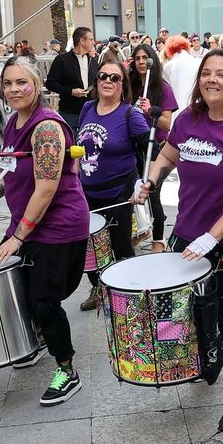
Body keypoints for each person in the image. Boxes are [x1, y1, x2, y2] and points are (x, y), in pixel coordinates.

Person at [133, 48, 223, 432]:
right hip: (189, 230)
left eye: (222, 74)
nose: (213, 80)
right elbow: (166, 156)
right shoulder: (189, 119)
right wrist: (151, 180)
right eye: (207, 73)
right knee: (189, 306)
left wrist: (213, 237)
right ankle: (210, 355)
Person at [0, 54, 91, 403]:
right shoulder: (13, 122)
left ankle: (67, 369)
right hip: (27, 222)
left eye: (21, 82)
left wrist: (18, 237)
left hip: (59, 225)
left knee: (42, 299)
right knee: (15, 285)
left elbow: (47, 187)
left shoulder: (47, 128)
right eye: (7, 83)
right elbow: (9, 173)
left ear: (37, 84)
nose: (13, 89)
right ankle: (38, 341)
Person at [76, 55, 151, 310]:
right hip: (87, 192)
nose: (108, 81)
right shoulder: (87, 109)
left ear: (122, 84)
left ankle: (128, 295)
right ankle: (98, 289)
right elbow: (78, 148)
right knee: (92, 249)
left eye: (114, 77)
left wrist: (144, 183)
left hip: (118, 194)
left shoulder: (130, 115)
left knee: (121, 249)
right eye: (103, 76)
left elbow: (152, 150)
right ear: (96, 81)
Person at [129, 42, 179, 252]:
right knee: (132, 190)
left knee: (152, 192)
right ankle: (141, 230)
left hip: (157, 147)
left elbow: (168, 124)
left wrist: (151, 111)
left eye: (144, 58)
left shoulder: (162, 88)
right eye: (137, 58)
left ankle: (158, 238)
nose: (141, 62)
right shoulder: (130, 85)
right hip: (134, 146)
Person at [45, 26, 100, 133]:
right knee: (70, 144)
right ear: (82, 41)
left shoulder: (93, 61)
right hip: (69, 112)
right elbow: (50, 83)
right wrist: (71, 92)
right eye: (91, 39)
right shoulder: (62, 60)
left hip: (91, 112)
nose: (93, 43)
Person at [161, 35, 200, 127]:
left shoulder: (168, 66)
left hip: (177, 105)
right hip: (196, 103)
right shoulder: (197, 61)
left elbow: (166, 88)